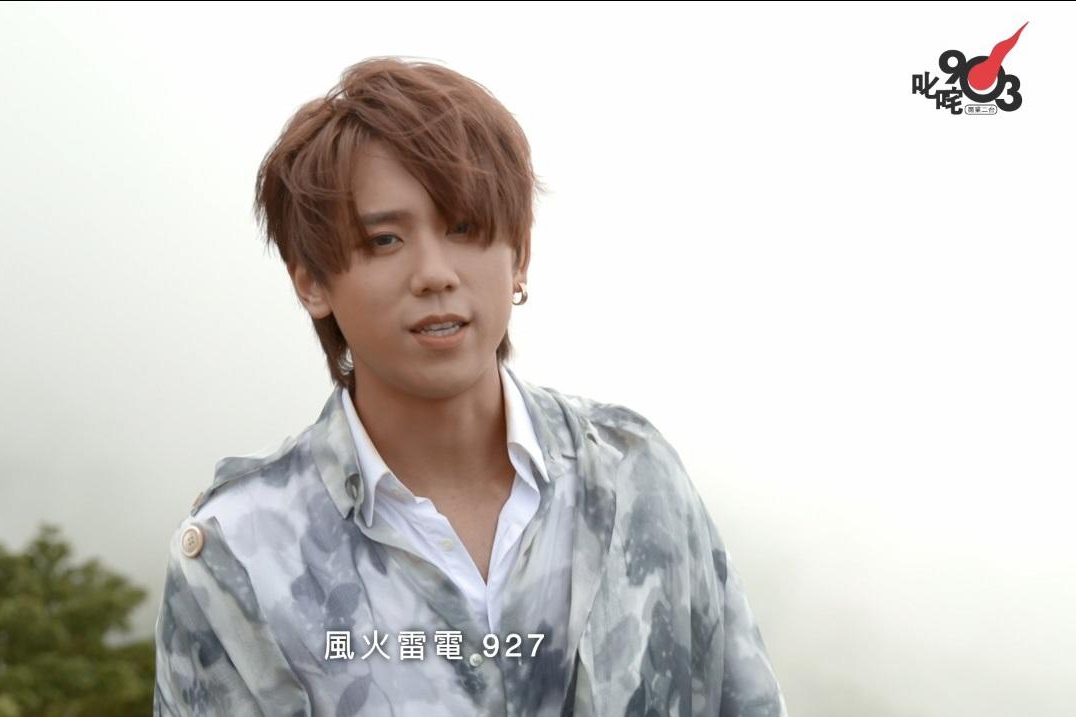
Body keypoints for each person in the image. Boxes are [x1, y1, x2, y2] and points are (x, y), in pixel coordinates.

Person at [154, 56, 787, 717]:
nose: (435, 273)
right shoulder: (238, 553)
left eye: (463, 228)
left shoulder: (635, 475)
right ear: (311, 282)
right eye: (385, 239)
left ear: (520, 255)